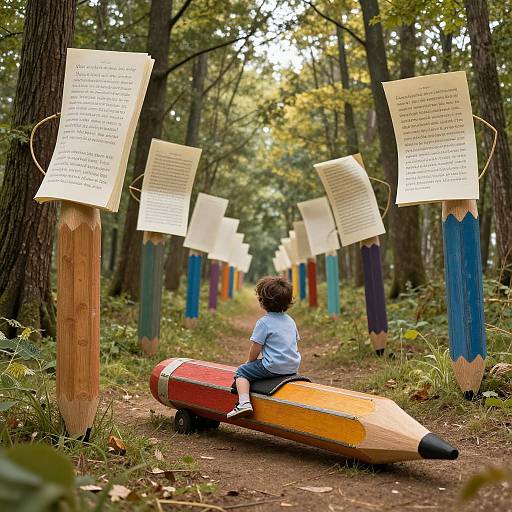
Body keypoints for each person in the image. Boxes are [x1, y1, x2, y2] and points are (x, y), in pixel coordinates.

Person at [227, 275, 301, 419]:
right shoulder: (290, 321)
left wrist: (250, 362)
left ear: (262, 302)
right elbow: (293, 342)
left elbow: (256, 347)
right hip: (293, 366)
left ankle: (243, 404)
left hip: (273, 366)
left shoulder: (264, 322)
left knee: (242, 372)